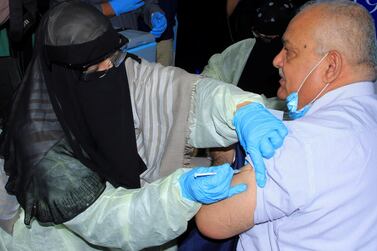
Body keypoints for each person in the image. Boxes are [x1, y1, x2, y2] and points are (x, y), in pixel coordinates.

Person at [0, 2, 287, 250]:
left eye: (110, 58)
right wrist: (180, 194)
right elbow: (111, 221)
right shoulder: (43, 151)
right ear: (61, 73)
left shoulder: (114, 67)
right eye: (92, 68)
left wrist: (242, 110)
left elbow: (179, 91)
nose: (109, 72)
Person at [196, 1, 377, 250]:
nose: (277, 60)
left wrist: (223, 155)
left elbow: (212, 220)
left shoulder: (303, 143)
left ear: (330, 66)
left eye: (289, 51)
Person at [50, 0, 167, 39]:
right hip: (92, 50)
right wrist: (107, 9)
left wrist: (152, 11)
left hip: (131, 43)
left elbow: (143, 2)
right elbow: (60, 14)